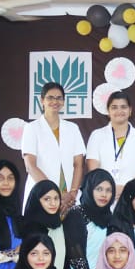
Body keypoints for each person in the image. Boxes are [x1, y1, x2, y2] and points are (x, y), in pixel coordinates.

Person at [21, 81, 85, 212]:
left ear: (63, 101)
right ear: (42, 100)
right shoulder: (31, 128)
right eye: (50, 97)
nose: (55, 101)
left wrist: (73, 193)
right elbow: (30, 166)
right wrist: (54, 194)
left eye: (59, 98)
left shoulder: (73, 128)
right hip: (41, 194)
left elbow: (78, 164)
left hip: (69, 198)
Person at [85, 90, 135, 195]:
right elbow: (93, 169)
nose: (119, 111)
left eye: (123, 107)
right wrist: (109, 189)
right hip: (103, 195)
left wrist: (127, 188)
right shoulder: (97, 135)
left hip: (133, 194)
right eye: (114, 107)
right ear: (108, 111)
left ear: (130, 110)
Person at [62, 168, 121, 269]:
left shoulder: (111, 218)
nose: (104, 194)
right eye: (99, 189)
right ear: (89, 189)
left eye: (108, 190)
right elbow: (77, 258)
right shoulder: (76, 214)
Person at [22, 180, 76, 269]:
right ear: (37, 201)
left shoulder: (59, 225)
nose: (53, 203)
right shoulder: (30, 229)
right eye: (47, 199)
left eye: (56, 198)